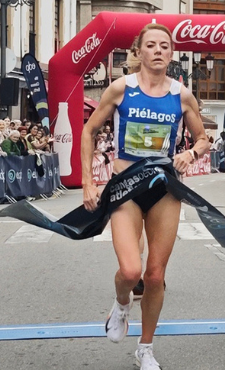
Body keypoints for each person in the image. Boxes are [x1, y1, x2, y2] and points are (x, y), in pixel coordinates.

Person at [80, 23, 209, 370]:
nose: (158, 51)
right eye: (150, 45)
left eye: (164, 46)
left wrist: (190, 154)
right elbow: (89, 131)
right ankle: (122, 303)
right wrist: (88, 182)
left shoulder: (182, 95)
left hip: (163, 189)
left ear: (171, 53)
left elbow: (202, 139)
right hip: (126, 187)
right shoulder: (121, 89)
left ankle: (146, 348)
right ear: (138, 51)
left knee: (154, 276)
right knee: (130, 270)